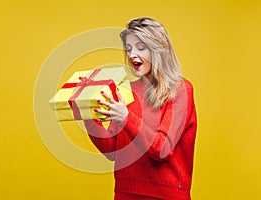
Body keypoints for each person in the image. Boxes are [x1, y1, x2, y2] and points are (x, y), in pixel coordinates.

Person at [83, 17, 197, 200]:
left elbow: (162, 149)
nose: (132, 55)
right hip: (125, 193)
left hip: (166, 195)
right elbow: (112, 151)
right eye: (128, 49)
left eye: (140, 48)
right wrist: (87, 114)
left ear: (158, 50)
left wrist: (126, 117)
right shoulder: (125, 90)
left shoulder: (181, 90)